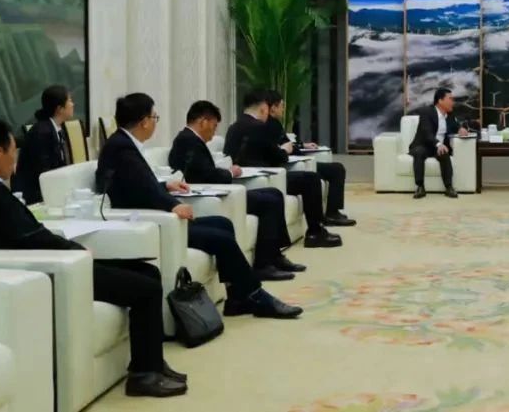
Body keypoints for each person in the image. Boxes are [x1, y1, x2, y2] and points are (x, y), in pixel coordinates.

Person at [0, 117, 188, 397]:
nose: (15, 159)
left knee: (148, 272)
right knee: (146, 288)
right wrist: (76, 251)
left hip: (53, 258)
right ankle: (144, 376)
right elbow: (32, 238)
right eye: (13, 151)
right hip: (50, 268)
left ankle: (152, 362)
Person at [98, 93, 302, 319]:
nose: (155, 122)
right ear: (144, 121)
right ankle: (255, 295)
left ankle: (237, 297)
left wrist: (166, 185)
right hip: (150, 221)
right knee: (221, 239)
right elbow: (138, 190)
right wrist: (173, 205)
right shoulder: (123, 148)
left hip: (153, 213)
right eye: (155, 117)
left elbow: (136, 183)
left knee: (222, 224)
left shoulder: (123, 144)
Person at [169, 100, 305, 281]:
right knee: (268, 202)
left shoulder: (190, 139)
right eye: (214, 126)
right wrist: (229, 172)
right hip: (210, 194)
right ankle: (264, 264)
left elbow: (201, 170)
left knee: (274, 193)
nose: (214, 133)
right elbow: (204, 175)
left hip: (220, 190)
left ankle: (274, 255)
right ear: (203, 122)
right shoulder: (188, 141)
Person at [224, 90, 341, 248]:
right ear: (263, 109)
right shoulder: (260, 127)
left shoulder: (233, 128)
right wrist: (285, 149)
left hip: (241, 180)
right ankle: (315, 232)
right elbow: (278, 156)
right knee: (311, 179)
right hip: (266, 178)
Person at [264, 90, 355, 226]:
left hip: (297, 161)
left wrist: (302, 145)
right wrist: (295, 148)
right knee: (336, 169)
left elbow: (286, 143)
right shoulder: (270, 125)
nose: (283, 110)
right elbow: (284, 147)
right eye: (282, 106)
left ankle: (331, 212)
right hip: (293, 165)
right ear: (273, 108)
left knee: (334, 169)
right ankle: (332, 213)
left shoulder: (273, 124)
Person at [13, 85, 75, 204]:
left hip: (48, 191)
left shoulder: (55, 128)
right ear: (59, 108)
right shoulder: (42, 133)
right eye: (70, 101)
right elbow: (43, 172)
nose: (73, 104)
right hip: (34, 197)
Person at [409, 88, 470, 199]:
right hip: (424, 145)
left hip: (439, 147)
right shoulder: (426, 112)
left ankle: (449, 187)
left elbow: (455, 125)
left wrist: (461, 129)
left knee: (444, 153)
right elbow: (427, 132)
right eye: (450, 99)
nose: (453, 102)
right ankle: (420, 187)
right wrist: (438, 144)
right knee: (419, 152)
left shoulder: (450, 114)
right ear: (440, 100)